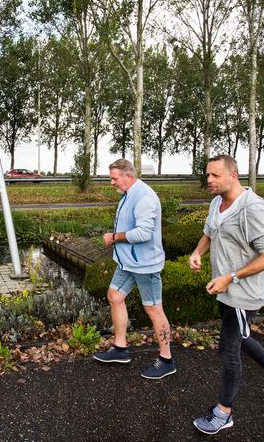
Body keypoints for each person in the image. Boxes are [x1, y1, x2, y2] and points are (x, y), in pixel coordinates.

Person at [189, 154, 264, 435]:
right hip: (224, 289)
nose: (209, 180)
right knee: (242, 338)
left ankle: (223, 413)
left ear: (233, 175)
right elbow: (210, 232)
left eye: (215, 175)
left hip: (242, 293)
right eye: (208, 175)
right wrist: (197, 252)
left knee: (229, 350)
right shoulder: (217, 202)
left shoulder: (254, 209)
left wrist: (231, 277)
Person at [92, 159, 176, 379]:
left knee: (154, 309)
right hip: (128, 263)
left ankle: (167, 360)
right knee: (115, 296)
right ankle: (120, 349)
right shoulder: (128, 194)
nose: (111, 182)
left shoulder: (144, 197)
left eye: (114, 178)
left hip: (145, 265)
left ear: (127, 176)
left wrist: (114, 238)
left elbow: (143, 234)